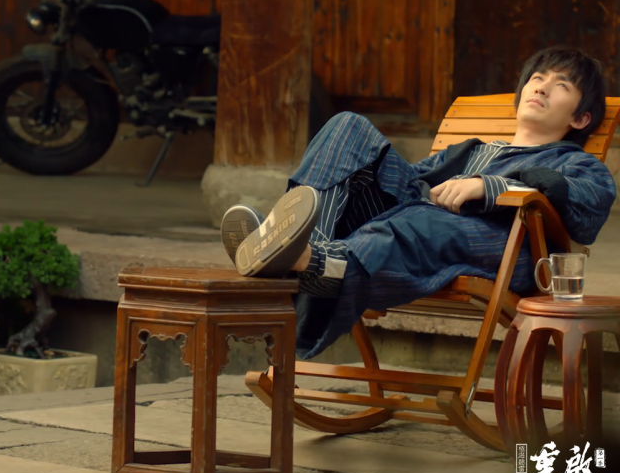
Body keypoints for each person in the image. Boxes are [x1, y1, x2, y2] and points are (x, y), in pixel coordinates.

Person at [220, 46, 617, 359]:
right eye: (537, 78)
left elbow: (588, 206)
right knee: (347, 127)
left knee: (422, 221)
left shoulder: (575, 163)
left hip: (498, 244)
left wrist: (490, 187)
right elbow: (407, 181)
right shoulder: (469, 151)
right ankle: (304, 251)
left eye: (561, 85)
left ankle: (302, 262)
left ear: (580, 119)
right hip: (420, 223)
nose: (542, 87)